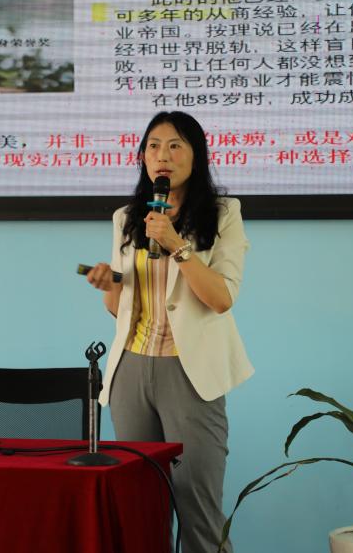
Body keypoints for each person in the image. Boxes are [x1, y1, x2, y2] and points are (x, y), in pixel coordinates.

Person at [84, 111, 252, 553]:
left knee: (198, 505)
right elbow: (119, 308)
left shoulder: (223, 214)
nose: (163, 155)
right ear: (143, 156)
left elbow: (221, 298)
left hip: (189, 371)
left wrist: (177, 244)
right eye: (154, 146)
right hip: (131, 370)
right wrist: (109, 282)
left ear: (196, 156)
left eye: (176, 145)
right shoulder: (128, 217)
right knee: (142, 506)